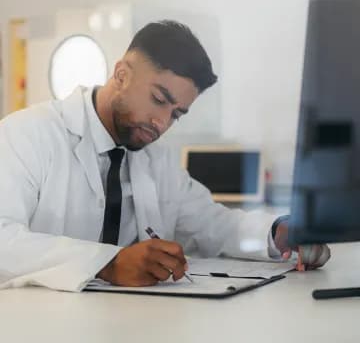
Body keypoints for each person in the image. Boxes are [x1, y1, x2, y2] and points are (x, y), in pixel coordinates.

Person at [0, 20, 330, 292]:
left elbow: (212, 223)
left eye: (177, 114)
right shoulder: (27, 134)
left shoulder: (155, 158)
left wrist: (278, 232)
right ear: (121, 74)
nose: (162, 122)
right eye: (159, 99)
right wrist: (108, 263)